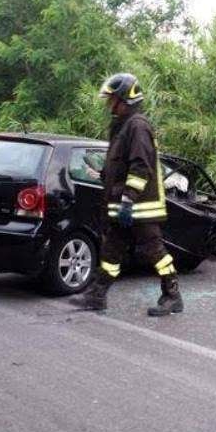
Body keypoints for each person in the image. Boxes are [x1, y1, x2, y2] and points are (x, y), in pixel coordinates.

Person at [69, 73, 183, 316]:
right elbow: (119, 167)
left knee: (154, 251)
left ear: (125, 99)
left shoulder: (138, 126)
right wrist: (101, 174)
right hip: (123, 204)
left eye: (112, 99)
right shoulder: (122, 127)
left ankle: (172, 296)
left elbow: (141, 165)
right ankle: (97, 295)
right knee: (111, 251)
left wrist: (129, 198)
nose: (109, 104)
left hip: (140, 206)